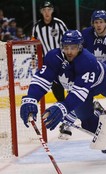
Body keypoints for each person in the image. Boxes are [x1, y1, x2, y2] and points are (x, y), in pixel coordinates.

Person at [20, 30, 106, 146]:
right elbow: (42, 80)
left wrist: (63, 107)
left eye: (73, 47)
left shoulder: (87, 60)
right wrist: (31, 98)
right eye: (66, 47)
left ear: (80, 47)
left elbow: (79, 92)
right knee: (87, 122)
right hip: (81, 90)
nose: (69, 51)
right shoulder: (53, 57)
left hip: (103, 82)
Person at [31, 1, 69, 139]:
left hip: (65, 64)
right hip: (51, 67)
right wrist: (35, 59)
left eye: (49, 9)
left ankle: (85, 111)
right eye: (44, 10)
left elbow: (69, 40)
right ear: (41, 12)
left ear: (52, 10)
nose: (47, 12)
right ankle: (66, 123)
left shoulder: (59, 24)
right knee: (59, 95)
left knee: (74, 91)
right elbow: (34, 46)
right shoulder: (36, 27)